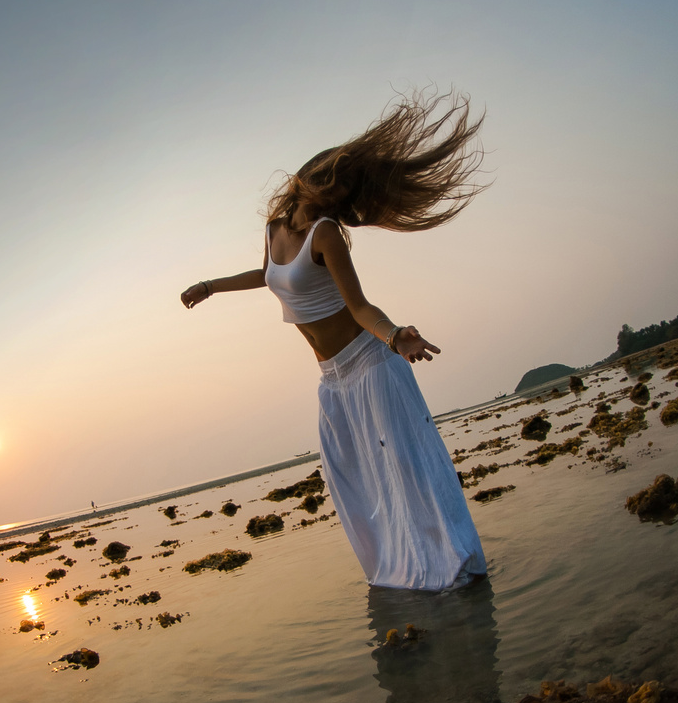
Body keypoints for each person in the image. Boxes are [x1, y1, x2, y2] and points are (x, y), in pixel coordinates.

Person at [180, 92, 488, 591]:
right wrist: (211, 286)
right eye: (333, 180)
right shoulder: (274, 228)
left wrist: (395, 336)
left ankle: (456, 570)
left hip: (371, 366)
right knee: (357, 485)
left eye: (342, 187)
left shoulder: (327, 233)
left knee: (410, 475)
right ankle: (404, 578)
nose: (335, 192)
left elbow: (361, 307)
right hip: (333, 382)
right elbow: (267, 274)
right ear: (312, 177)